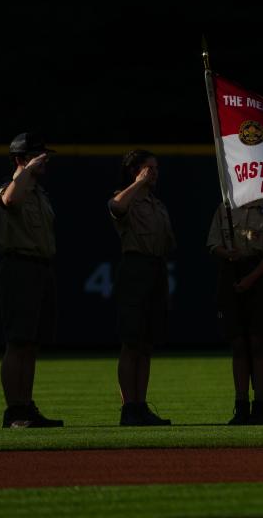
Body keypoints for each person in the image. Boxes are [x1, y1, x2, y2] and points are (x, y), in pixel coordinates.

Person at [0, 133, 63, 429]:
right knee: (18, 342)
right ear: (22, 159)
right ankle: (14, 410)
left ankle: (26, 405)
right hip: (18, 267)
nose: (45, 160)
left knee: (31, 344)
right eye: (38, 155)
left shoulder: (39, 194)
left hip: (40, 268)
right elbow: (10, 200)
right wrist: (25, 170)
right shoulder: (11, 188)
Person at [109, 150, 175, 426]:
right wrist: (137, 182)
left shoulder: (157, 204)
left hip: (156, 268)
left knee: (146, 343)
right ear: (136, 170)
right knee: (131, 342)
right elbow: (116, 207)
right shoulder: (127, 196)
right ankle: (129, 408)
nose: (154, 173)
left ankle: (141, 406)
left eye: (156, 168)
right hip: (135, 268)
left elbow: (169, 242)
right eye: (150, 168)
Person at [207, 198, 263, 425]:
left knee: (258, 342)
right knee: (239, 344)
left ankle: (260, 408)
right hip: (231, 274)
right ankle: (240, 407)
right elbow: (213, 243)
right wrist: (227, 253)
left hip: (260, 277)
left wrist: (251, 279)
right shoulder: (225, 207)